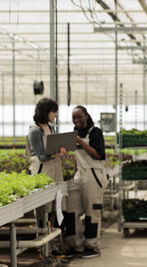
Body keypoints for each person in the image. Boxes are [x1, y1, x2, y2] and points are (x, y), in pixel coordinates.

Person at [65, 105, 108, 259]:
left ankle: (92, 246)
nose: (76, 120)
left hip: (93, 174)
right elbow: (77, 155)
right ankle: (76, 245)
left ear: (87, 116)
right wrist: (73, 171)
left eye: (79, 117)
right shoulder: (74, 133)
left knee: (92, 211)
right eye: (74, 118)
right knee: (71, 211)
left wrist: (80, 141)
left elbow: (98, 155)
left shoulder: (95, 132)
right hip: (79, 175)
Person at [27, 97, 67, 254]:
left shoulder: (51, 127)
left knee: (55, 208)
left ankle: (53, 244)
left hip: (55, 171)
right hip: (42, 172)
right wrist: (56, 154)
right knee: (43, 209)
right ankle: (43, 246)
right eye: (53, 111)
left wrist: (61, 150)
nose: (55, 114)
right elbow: (41, 156)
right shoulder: (35, 130)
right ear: (46, 111)